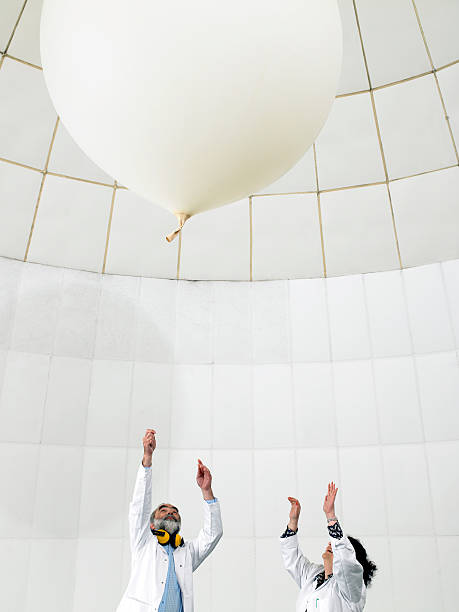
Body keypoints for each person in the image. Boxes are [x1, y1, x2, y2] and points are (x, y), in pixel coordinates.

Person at [116, 429, 223, 612]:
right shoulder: (143, 542)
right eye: (163, 510)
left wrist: (207, 491)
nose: (171, 512)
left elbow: (213, 534)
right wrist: (147, 457)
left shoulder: (186, 552)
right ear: (151, 524)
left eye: (174, 511)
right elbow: (139, 507)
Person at [280, 482, 377, 612]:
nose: (331, 544)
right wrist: (293, 521)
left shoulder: (352, 589)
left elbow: (346, 562)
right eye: (331, 542)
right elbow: (292, 559)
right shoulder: (312, 575)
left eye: (336, 544)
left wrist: (330, 516)